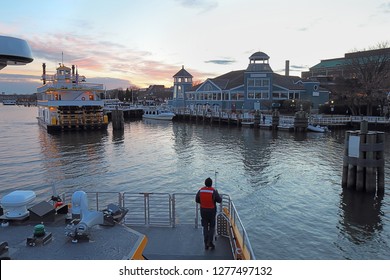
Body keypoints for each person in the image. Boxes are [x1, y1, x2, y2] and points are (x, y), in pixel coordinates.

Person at [195, 177, 222, 250]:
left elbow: (196, 199)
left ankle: (205, 243)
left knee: (205, 227)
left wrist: (202, 203)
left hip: (203, 211)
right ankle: (210, 242)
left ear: (205, 183)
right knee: (212, 227)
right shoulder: (213, 191)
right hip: (212, 211)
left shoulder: (201, 190)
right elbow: (219, 200)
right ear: (211, 184)